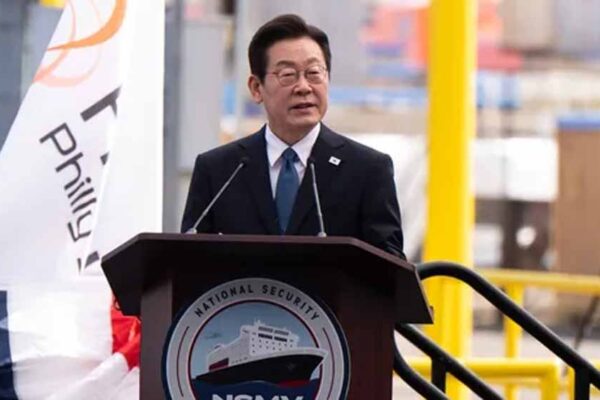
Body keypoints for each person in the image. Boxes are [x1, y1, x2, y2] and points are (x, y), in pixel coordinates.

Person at [181, 14, 405, 258]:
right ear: (256, 88)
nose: (303, 87)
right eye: (288, 75)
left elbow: (389, 268)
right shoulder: (219, 170)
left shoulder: (367, 170)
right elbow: (189, 262)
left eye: (314, 73)